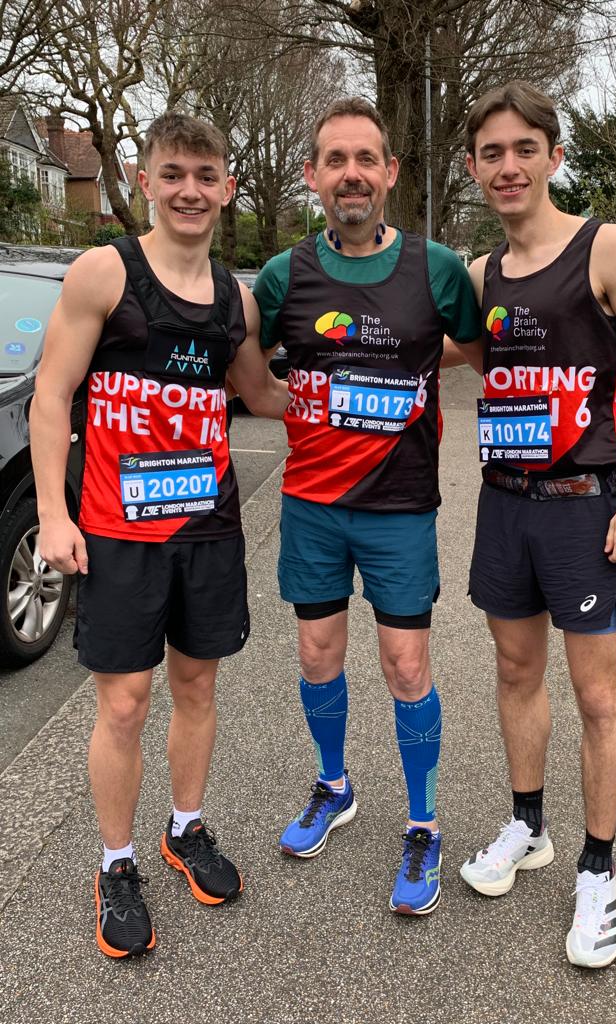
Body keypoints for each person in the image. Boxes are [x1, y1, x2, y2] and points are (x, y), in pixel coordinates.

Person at [30, 112, 288, 958]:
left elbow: (262, 394)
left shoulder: (236, 298)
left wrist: (394, 363)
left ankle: (184, 829)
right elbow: (50, 397)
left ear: (228, 188)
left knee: (198, 687)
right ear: (144, 181)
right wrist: (55, 517)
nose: (189, 190)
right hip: (116, 532)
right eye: (173, 173)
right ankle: (116, 864)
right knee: (125, 700)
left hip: (208, 529)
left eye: (206, 175)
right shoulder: (104, 273)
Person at [456, 81, 616, 966]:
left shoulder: (608, 247)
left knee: (596, 694)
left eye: (523, 148)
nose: (507, 166)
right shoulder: (480, 275)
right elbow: (419, 341)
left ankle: (597, 871)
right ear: (474, 168)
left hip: (589, 508)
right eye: (491, 153)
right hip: (505, 503)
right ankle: (529, 827)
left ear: (553, 154)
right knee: (516, 671)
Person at [253, 97, 481, 915]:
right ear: (313, 176)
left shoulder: (438, 268)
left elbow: (481, 348)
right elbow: (245, 363)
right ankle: (334, 786)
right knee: (317, 653)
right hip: (312, 505)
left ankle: (423, 824)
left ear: (390, 172)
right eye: (335, 160)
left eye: (366, 158)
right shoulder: (284, 275)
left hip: (400, 505)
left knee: (405, 665)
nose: (352, 173)